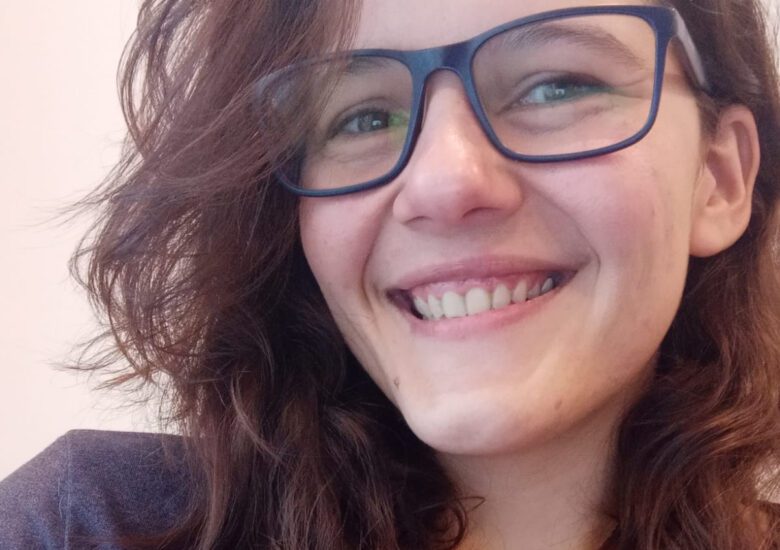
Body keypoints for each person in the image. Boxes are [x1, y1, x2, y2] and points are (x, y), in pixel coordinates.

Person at [2, 0, 780, 548]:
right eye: (362, 117)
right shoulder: (85, 528)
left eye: (557, 86)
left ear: (720, 178)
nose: (446, 183)